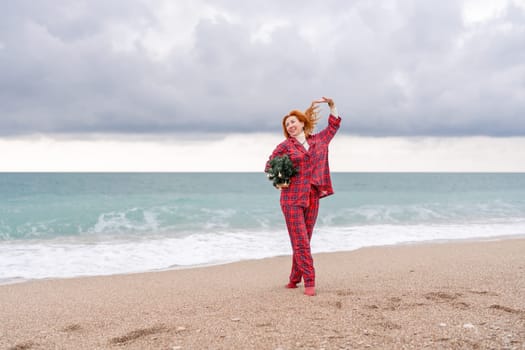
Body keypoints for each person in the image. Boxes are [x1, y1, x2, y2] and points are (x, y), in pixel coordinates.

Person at [265, 97, 341, 296]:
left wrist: (332, 107)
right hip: (291, 199)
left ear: (302, 123)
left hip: (313, 196)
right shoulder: (285, 146)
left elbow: (333, 127)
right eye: (287, 124)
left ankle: (293, 279)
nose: (290, 126)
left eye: (293, 122)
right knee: (300, 240)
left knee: (304, 240)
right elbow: (269, 166)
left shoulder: (318, 141)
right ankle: (310, 281)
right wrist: (281, 178)